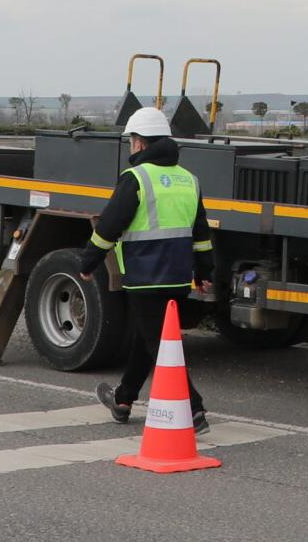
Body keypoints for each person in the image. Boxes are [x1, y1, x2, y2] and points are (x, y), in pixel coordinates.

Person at [84, 106, 215, 432]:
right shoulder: (189, 180)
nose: (131, 146)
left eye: (131, 140)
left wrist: (88, 262)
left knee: (159, 344)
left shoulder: (136, 178)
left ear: (140, 143)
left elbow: (109, 226)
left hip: (145, 275)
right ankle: (124, 398)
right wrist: (204, 273)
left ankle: (194, 410)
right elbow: (201, 233)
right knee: (147, 338)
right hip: (178, 275)